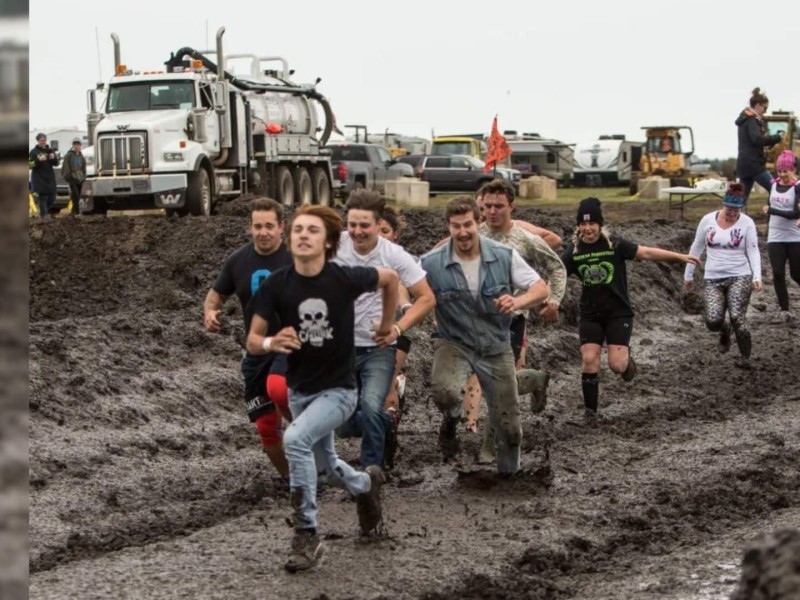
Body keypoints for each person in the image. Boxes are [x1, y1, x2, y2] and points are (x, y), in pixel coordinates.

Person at [246, 204, 399, 572]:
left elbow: (391, 278)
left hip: (341, 391)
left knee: (295, 440)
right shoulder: (276, 284)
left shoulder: (343, 278)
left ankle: (307, 534)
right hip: (301, 392)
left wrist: (387, 324)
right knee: (327, 468)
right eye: (297, 229)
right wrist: (270, 344)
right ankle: (366, 485)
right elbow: (252, 340)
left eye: (311, 230)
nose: (302, 235)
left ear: (328, 241)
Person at [421, 196, 550, 473]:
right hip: (453, 341)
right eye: (456, 226)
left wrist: (517, 302)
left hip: (494, 344)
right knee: (444, 392)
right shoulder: (431, 263)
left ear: (478, 222)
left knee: (510, 430)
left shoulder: (503, 256)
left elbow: (541, 288)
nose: (463, 232)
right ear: (448, 227)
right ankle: (451, 420)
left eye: (468, 224)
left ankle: (509, 475)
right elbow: (408, 288)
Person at [563, 197, 700, 422]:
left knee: (616, 365)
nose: (587, 229)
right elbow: (557, 273)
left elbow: (646, 253)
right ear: (578, 226)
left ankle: (627, 363)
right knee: (589, 360)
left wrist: (679, 257)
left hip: (618, 312)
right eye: (583, 224)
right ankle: (591, 413)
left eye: (592, 224)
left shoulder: (614, 244)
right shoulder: (574, 251)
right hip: (590, 314)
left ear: (600, 224)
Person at [333, 190, 435, 470]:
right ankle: (387, 423)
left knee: (370, 405)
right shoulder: (334, 246)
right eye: (352, 224)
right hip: (339, 348)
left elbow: (426, 298)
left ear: (379, 225)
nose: (357, 231)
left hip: (379, 349)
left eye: (364, 225)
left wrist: (399, 328)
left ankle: (371, 474)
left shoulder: (394, 255)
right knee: (341, 423)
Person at [474, 179, 568, 459]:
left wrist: (554, 301)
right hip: (476, 319)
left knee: (497, 384)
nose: (492, 211)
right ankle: (535, 380)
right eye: (487, 206)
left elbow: (557, 266)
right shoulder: (474, 235)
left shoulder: (525, 239)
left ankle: (489, 446)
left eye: (499, 206)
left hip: (511, 320)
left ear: (511, 206)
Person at [203, 198, 293, 479]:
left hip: (292, 344)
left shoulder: (296, 257)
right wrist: (210, 313)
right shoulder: (238, 260)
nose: (263, 232)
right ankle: (293, 480)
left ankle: (311, 428)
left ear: (281, 228)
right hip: (256, 350)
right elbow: (215, 296)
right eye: (257, 226)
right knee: (266, 428)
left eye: (269, 226)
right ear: (249, 228)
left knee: (278, 388)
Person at [685, 184, 763, 365]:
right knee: (712, 321)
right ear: (723, 204)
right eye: (729, 209)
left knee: (737, 316)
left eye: (737, 210)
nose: (732, 214)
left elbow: (753, 250)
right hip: (713, 278)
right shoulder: (707, 221)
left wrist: (756, 276)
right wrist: (688, 275)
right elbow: (696, 247)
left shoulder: (747, 223)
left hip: (740, 275)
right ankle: (724, 330)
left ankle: (745, 358)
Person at [761, 151, 800, 320]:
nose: (782, 174)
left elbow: (795, 213)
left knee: (796, 274)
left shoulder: (798, 187)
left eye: (786, 171)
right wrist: (767, 229)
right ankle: (785, 310)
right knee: (777, 273)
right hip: (775, 237)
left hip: (794, 237)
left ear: (793, 169)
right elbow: (770, 206)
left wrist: (772, 210)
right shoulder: (773, 185)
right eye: (780, 171)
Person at [736, 87, 783, 205]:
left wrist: (768, 145)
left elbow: (753, 142)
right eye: (765, 107)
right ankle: (773, 214)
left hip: (744, 164)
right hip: (754, 165)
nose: (766, 111)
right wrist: (777, 137)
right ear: (758, 105)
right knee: (776, 190)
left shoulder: (745, 119)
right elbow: (757, 139)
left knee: (740, 200)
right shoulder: (752, 119)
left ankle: (732, 219)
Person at [28, 133, 59, 218]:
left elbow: (56, 163)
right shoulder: (33, 152)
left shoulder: (50, 150)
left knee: (52, 198)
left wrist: (54, 158)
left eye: (44, 140)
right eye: (41, 140)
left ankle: (43, 214)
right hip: (39, 180)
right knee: (43, 198)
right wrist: (38, 160)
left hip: (50, 179)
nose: (43, 142)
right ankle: (44, 217)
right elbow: (30, 165)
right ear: (38, 141)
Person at [61, 138, 86, 215]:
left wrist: (84, 177)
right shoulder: (68, 156)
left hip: (80, 179)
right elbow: (65, 167)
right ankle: (77, 213)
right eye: (75, 144)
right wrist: (69, 177)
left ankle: (73, 212)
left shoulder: (81, 157)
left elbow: (83, 168)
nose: (76, 146)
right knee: (75, 195)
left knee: (77, 196)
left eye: (78, 144)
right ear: (73, 145)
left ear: (80, 145)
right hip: (72, 178)